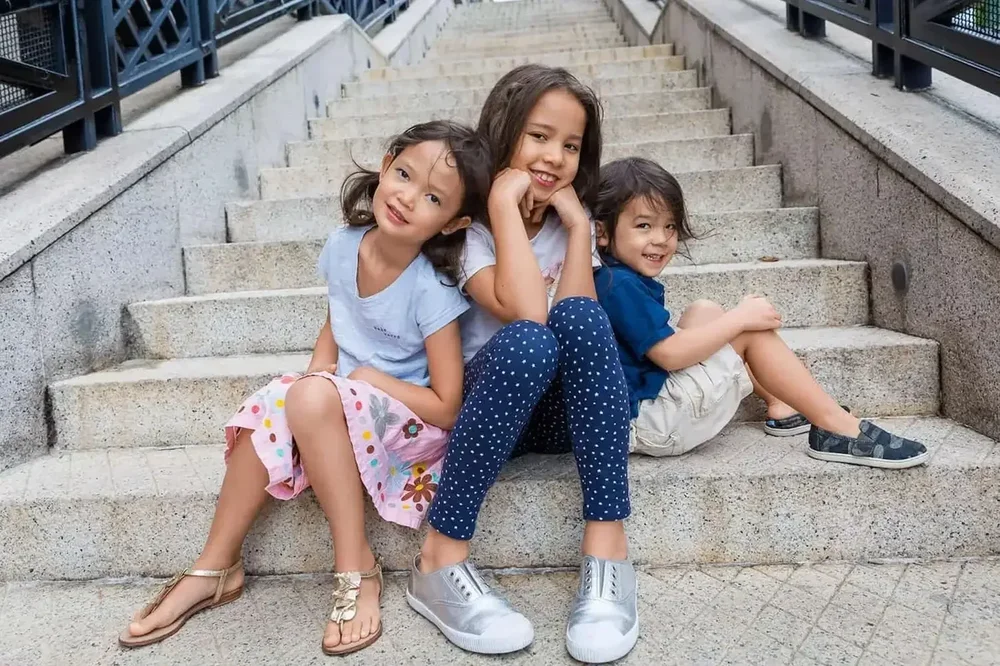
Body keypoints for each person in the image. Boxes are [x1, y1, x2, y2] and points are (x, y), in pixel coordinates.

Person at [118, 121, 491, 656]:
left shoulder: (431, 291)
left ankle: (356, 567)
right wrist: (319, 372)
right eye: (404, 175)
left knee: (310, 395)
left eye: (432, 197)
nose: (408, 198)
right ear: (386, 166)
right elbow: (338, 322)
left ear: (453, 221)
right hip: (344, 406)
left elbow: (448, 407)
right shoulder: (344, 246)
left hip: (406, 428)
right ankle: (215, 565)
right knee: (274, 401)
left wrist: (365, 380)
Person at [405, 65, 639, 665]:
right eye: (539, 136)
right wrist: (506, 206)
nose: (554, 156)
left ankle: (607, 552)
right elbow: (525, 313)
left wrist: (581, 226)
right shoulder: (469, 228)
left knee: (584, 319)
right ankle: (440, 556)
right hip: (491, 417)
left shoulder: (570, 226)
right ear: (504, 133)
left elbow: (575, 314)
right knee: (528, 342)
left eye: (570, 145)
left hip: (563, 418)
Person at [592, 157, 929, 468]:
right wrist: (740, 318)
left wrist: (729, 319)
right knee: (747, 330)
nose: (662, 239)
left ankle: (782, 405)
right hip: (652, 423)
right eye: (644, 226)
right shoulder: (617, 284)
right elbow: (668, 355)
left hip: (645, 414)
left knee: (704, 311)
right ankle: (836, 428)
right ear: (603, 232)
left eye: (669, 226)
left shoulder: (615, 278)